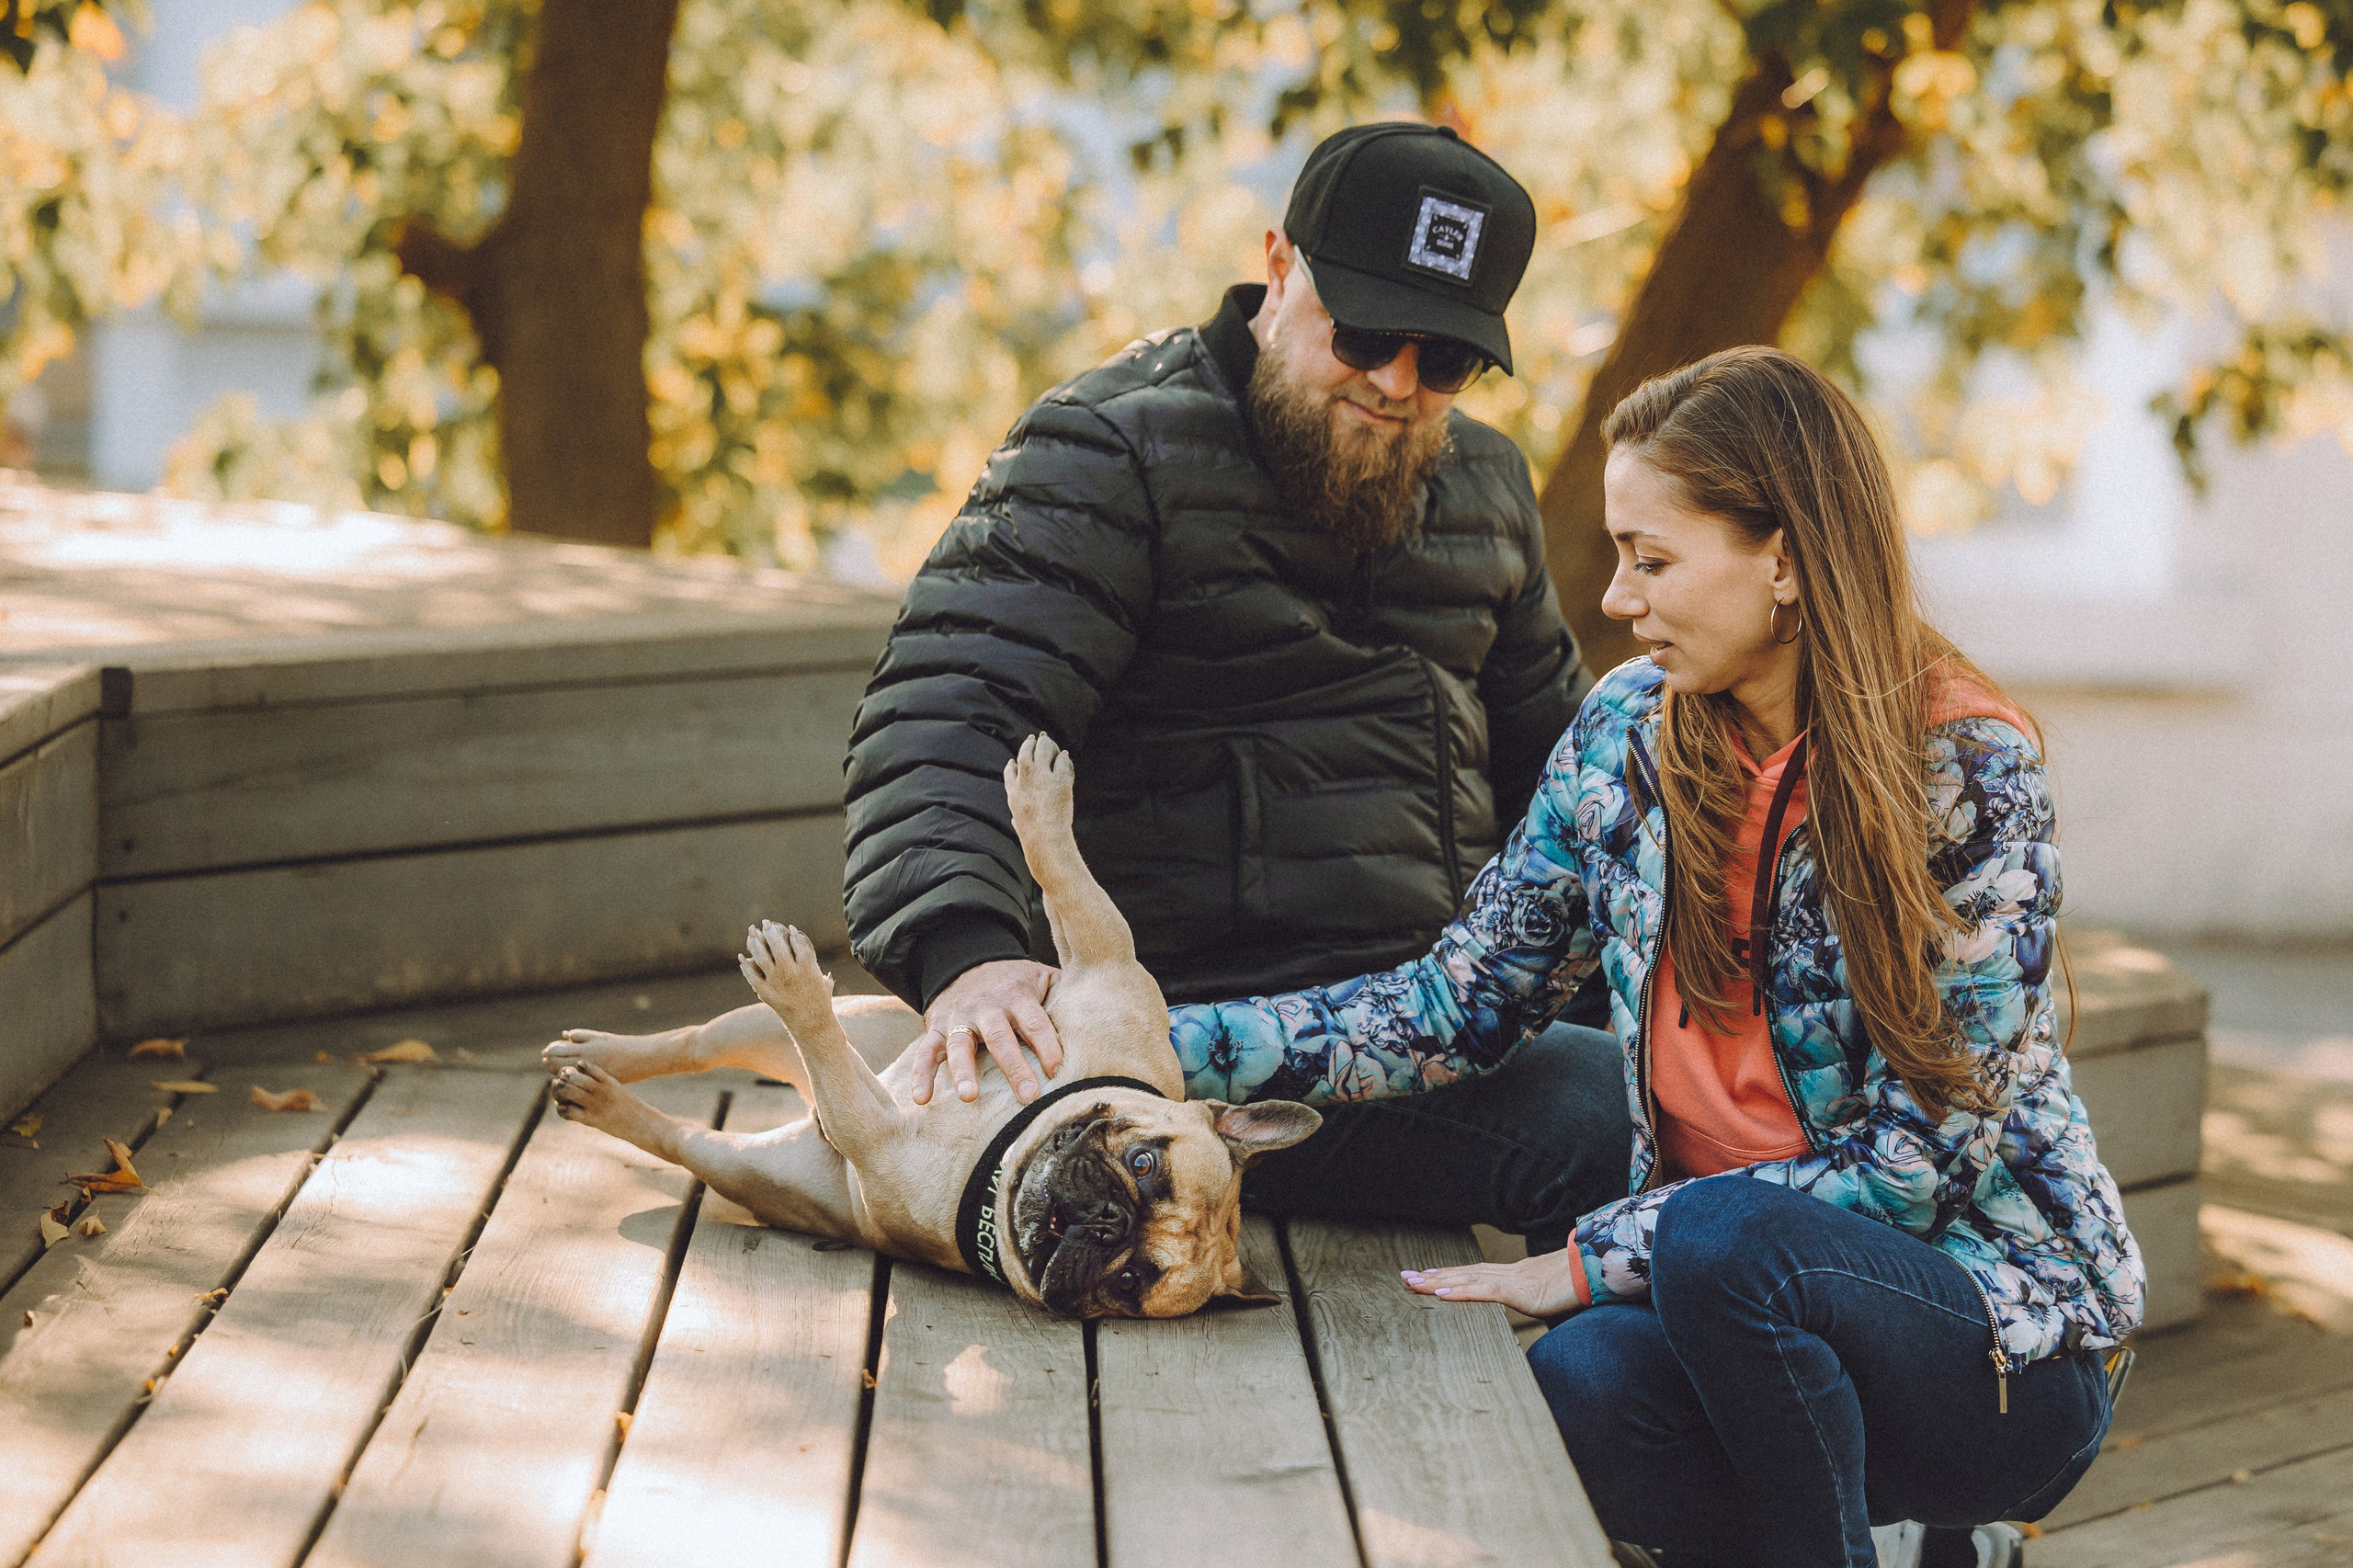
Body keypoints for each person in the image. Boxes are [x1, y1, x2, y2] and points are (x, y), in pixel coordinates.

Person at [560, 123, 1630, 1250]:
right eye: (1362, 332)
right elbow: (947, 712)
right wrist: (968, 959)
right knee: (1597, 1114)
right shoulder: (1108, 451)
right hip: (1171, 1057)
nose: (1394, 383)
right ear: (1278, 265)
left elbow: (1566, 795)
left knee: (1720, 1094)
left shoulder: (1487, 485)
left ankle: (1590, 1401)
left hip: (1436, 1025)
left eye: (1445, 359)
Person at [1168, 347, 2143, 1567]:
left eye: (1655, 557)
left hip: (1994, 1341)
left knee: (1714, 1239)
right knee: (1583, 1383)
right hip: (1727, 1317)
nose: (1621, 598)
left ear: (1782, 558)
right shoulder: (1627, 730)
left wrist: (1594, 1254)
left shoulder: (1966, 768)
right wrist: (1164, 1049)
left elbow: (1916, 1165)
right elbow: (1454, 1002)